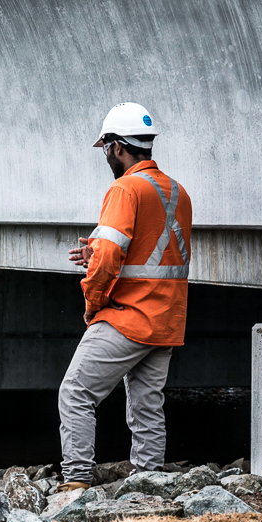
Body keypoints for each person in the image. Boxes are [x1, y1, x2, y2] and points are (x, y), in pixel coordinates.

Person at [59, 102, 192, 492]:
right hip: (167, 320)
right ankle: (148, 482)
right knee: (147, 406)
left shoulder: (124, 188)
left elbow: (110, 260)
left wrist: (92, 304)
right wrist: (96, 252)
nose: (106, 156)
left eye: (106, 148)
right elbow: (150, 253)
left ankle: (76, 481)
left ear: (117, 146)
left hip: (128, 316)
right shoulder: (177, 192)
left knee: (76, 392)